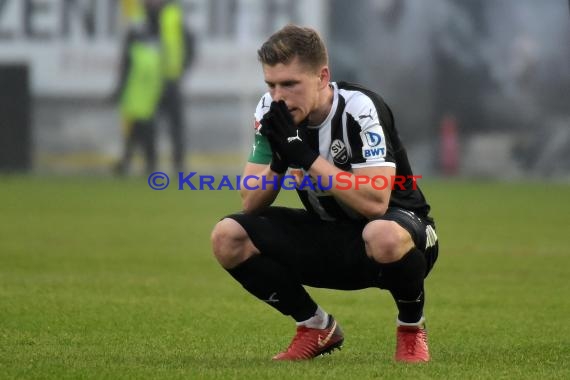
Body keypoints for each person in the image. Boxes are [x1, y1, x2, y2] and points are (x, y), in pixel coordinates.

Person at [211, 24, 439, 363]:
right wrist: (279, 157)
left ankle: (410, 328)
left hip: (401, 234)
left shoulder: (360, 109)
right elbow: (250, 202)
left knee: (383, 234)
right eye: (271, 85)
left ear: (321, 77)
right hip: (330, 234)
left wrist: (304, 156)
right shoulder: (268, 111)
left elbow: (376, 203)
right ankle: (316, 327)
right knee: (228, 236)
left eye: (290, 84)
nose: (278, 97)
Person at [145, 0, 195, 172]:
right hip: (149, 82)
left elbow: (189, 42)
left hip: (171, 80)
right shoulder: (142, 18)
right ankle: (150, 165)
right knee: (148, 125)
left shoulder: (173, 15)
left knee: (176, 126)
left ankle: (178, 165)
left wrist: (183, 68)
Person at [112, 8, 163, 176]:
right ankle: (144, 162)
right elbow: (127, 61)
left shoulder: (148, 26)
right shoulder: (143, 26)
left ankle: (139, 162)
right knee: (140, 128)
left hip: (146, 86)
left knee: (142, 128)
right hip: (140, 86)